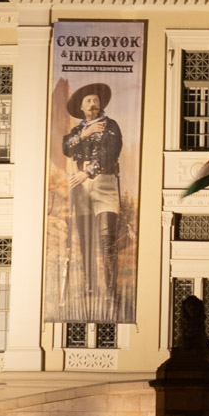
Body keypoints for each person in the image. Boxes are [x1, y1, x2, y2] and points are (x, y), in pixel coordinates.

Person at [61, 82, 124, 319]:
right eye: (88, 100)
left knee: (107, 238)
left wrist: (87, 172)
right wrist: (83, 135)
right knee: (85, 237)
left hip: (104, 181)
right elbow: (66, 147)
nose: (93, 103)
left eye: (96, 100)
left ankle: (110, 291)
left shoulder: (111, 126)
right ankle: (89, 286)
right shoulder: (77, 131)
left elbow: (111, 152)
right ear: (81, 106)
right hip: (80, 185)